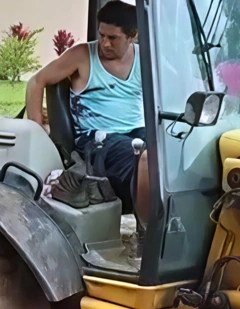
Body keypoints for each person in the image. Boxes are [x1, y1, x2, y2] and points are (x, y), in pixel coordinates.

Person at [26, 1, 151, 227]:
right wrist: (36, 130)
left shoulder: (145, 59)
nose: (104, 43)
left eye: (113, 38)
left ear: (132, 35)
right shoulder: (82, 56)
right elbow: (36, 81)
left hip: (134, 132)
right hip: (97, 141)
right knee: (148, 159)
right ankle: (146, 237)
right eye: (102, 34)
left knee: (170, 152)